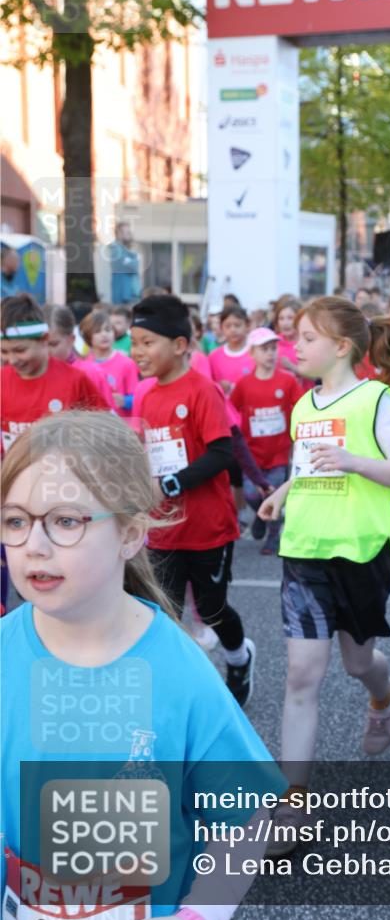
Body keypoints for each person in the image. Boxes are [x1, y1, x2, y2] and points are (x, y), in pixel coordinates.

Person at [0, 410, 286, 920]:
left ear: (130, 533)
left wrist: (198, 918)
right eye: (16, 520)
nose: (33, 546)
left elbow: (244, 824)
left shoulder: (179, 673)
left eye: (66, 520)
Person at [256, 297, 390, 851]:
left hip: (360, 551)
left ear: (342, 346)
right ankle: (293, 803)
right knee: (302, 675)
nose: (294, 346)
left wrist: (354, 460)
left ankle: (383, 698)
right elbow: (308, 466)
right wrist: (282, 492)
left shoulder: (376, 399)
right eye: (294, 336)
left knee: (357, 663)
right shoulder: (305, 405)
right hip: (304, 550)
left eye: (305, 337)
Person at [131, 294, 255, 707]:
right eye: (133, 343)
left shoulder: (203, 391)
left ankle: (239, 657)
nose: (138, 352)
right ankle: (178, 691)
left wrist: (168, 486)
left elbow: (221, 454)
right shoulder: (147, 396)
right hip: (164, 528)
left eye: (148, 342)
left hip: (207, 526)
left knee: (212, 608)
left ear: (180, 345)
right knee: (164, 611)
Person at [1, 294, 107, 454]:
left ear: (44, 339)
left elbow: (108, 432)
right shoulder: (2, 380)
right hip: (15, 476)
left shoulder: (75, 380)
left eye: (20, 350)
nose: (12, 360)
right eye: (3, 351)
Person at [231, 327, 302, 555]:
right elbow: (231, 411)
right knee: (252, 494)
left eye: (273, 348)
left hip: (279, 452)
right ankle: (261, 514)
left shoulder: (287, 381)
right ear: (251, 353)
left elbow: (301, 407)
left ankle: (273, 537)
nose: (270, 354)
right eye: (264, 349)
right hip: (252, 454)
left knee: (274, 494)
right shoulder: (243, 384)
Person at [44, 304, 115, 408]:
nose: (46, 351)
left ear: (71, 339)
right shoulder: (32, 373)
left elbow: (107, 419)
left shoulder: (89, 373)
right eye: (40, 344)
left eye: (53, 344)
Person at [80, 308, 139, 418]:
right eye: (98, 331)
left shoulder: (126, 363)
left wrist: (125, 401)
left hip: (120, 427)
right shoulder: (83, 366)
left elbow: (138, 397)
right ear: (88, 336)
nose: (104, 335)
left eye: (108, 330)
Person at [209, 305, 254, 395]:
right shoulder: (214, 357)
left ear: (247, 325)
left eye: (237, 325)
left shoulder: (255, 353)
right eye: (228, 326)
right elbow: (208, 385)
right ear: (222, 328)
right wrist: (218, 386)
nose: (233, 330)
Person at [107, 221, 141, 304]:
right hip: (123, 294)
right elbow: (132, 266)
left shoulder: (127, 249)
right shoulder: (115, 248)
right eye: (126, 232)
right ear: (118, 234)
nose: (129, 235)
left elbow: (134, 265)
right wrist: (135, 260)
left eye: (129, 232)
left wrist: (133, 261)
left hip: (132, 293)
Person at [273, 297, 301, 374]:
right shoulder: (273, 341)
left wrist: (291, 367)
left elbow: (316, 375)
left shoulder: (307, 342)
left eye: (290, 318)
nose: (285, 323)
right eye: (281, 318)